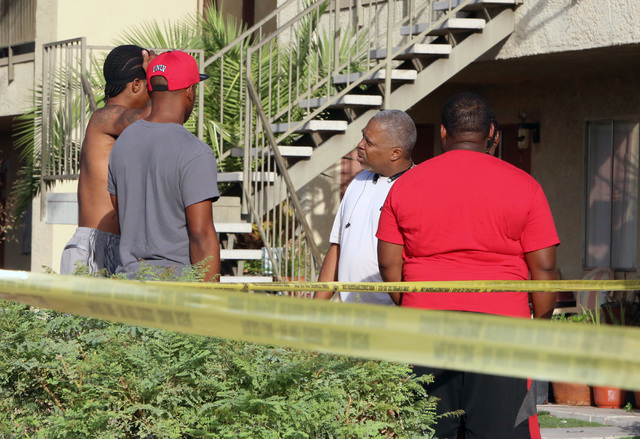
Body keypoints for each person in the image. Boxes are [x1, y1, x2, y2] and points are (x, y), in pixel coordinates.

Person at [377, 93, 559, 439]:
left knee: (424, 429)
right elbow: (546, 270)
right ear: (491, 133)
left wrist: (414, 303)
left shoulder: (405, 185)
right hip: (503, 327)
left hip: (424, 324)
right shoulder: (525, 185)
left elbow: (388, 265)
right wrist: (539, 324)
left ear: (444, 132)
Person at [107, 50, 221, 281]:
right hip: (174, 290)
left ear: (149, 90)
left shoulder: (123, 142)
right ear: (190, 91)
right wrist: (212, 298)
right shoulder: (195, 152)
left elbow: (122, 215)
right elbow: (201, 236)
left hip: (127, 287)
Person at [60, 45, 154, 275]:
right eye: (150, 86)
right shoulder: (103, 117)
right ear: (136, 84)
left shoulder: (122, 128)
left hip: (118, 246)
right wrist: (157, 76)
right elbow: (152, 117)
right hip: (95, 247)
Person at [314, 110, 416, 304]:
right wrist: (315, 307)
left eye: (369, 142)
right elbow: (337, 246)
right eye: (362, 136)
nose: (360, 145)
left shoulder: (416, 187)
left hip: (392, 313)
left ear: (395, 153)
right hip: (349, 313)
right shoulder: (358, 180)